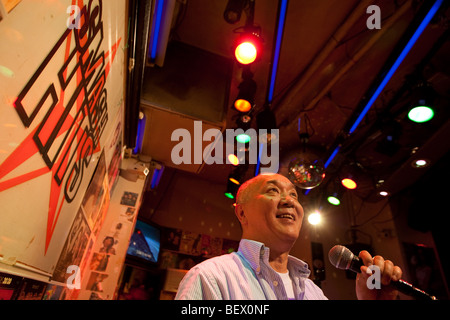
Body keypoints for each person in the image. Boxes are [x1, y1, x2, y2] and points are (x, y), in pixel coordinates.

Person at [175, 173, 402, 300]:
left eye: (294, 195)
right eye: (273, 191)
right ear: (241, 212)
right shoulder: (210, 278)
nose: (290, 201)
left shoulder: (314, 293)